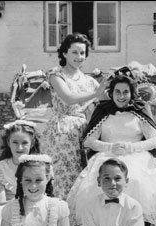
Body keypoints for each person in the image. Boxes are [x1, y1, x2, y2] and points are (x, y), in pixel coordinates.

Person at [67, 73, 156, 226]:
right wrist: (110, 147)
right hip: (107, 156)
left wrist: (131, 147)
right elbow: (89, 141)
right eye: (117, 92)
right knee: (95, 185)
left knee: (135, 181)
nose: (121, 96)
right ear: (111, 93)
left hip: (136, 156)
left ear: (132, 93)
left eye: (125, 92)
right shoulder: (103, 111)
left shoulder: (139, 111)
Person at [41, 32, 108, 199]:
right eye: (75, 52)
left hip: (83, 130)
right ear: (64, 53)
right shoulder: (56, 75)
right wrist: (95, 93)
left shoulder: (89, 80)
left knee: (82, 174)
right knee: (62, 174)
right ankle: (59, 216)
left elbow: (107, 103)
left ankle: (76, 219)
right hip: (62, 130)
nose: (79, 57)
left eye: (83, 53)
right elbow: (69, 98)